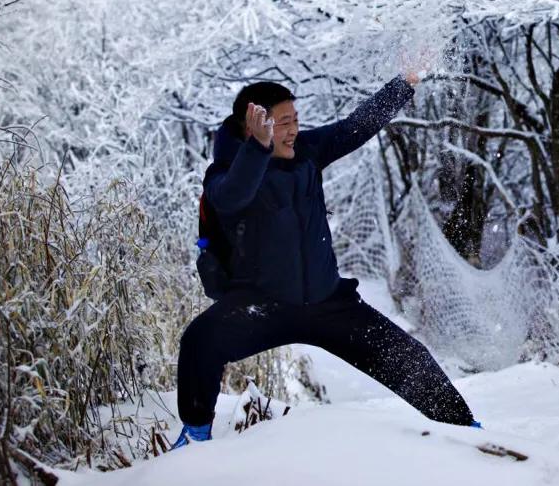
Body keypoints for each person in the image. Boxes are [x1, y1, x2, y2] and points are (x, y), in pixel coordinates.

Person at [171, 67, 478, 448]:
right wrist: (259, 151)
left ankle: (467, 432)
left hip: (327, 302)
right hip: (261, 306)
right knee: (200, 341)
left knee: (407, 357)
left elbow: (354, 127)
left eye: (295, 120)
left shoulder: (306, 152)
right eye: (282, 123)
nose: (293, 130)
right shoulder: (225, 171)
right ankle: (196, 435)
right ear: (253, 125)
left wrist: (404, 84)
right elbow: (232, 197)